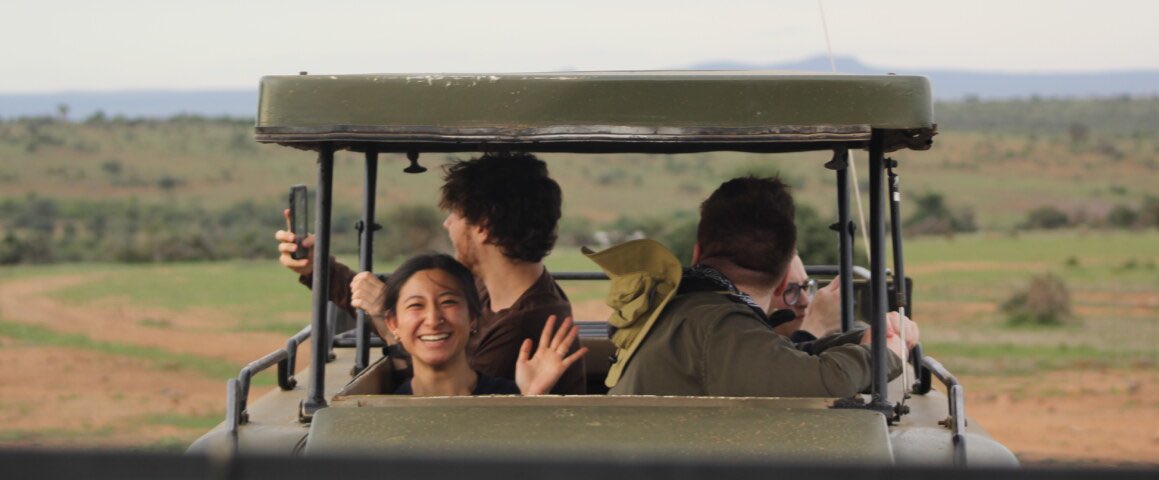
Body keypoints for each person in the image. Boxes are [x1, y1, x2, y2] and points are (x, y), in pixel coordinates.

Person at [277, 152, 586, 394]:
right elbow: (397, 304)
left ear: (484, 228)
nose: (447, 224)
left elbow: (441, 399)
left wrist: (389, 326)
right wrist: (316, 268)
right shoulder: (491, 288)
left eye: (455, 214)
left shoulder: (523, 327)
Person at [594, 175, 912, 397]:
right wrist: (888, 353)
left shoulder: (689, 305)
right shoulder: (718, 324)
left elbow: (783, 359)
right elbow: (830, 381)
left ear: (697, 253)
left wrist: (862, 339)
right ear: (783, 281)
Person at [382, 252, 586, 395]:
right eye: (416, 305)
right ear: (393, 324)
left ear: (472, 316)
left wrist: (531, 402)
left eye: (448, 302)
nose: (433, 320)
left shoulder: (513, 398)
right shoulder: (384, 414)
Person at [769, 254, 919, 356]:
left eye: (806, 285)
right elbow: (786, 374)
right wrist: (816, 326)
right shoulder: (750, 351)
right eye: (789, 290)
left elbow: (856, 331)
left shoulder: (828, 337)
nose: (805, 301)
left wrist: (887, 327)